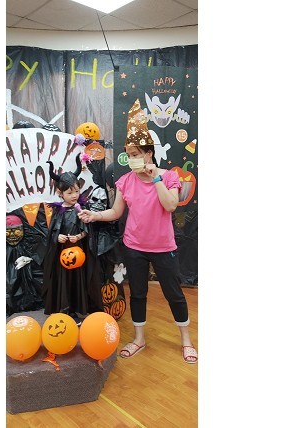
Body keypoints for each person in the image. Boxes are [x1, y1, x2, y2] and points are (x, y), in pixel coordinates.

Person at [78, 98, 198, 364]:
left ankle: (186, 341)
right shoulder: (125, 181)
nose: (132, 159)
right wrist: (95, 215)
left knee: (174, 294)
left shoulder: (169, 176)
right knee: (138, 294)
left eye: (136, 154)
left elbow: (170, 205)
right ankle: (139, 339)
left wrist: (156, 178)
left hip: (163, 248)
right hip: (134, 247)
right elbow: (116, 212)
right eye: (129, 155)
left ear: (149, 153)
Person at [41, 157, 103, 325]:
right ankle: (65, 309)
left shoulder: (83, 208)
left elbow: (88, 230)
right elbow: (52, 233)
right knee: (64, 281)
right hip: (62, 255)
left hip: (79, 253)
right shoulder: (58, 211)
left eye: (76, 191)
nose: (74, 195)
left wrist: (79, 236)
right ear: (60, 193)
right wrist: (57, 237)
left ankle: (79, 308)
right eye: (69, 193)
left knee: (78, 280)